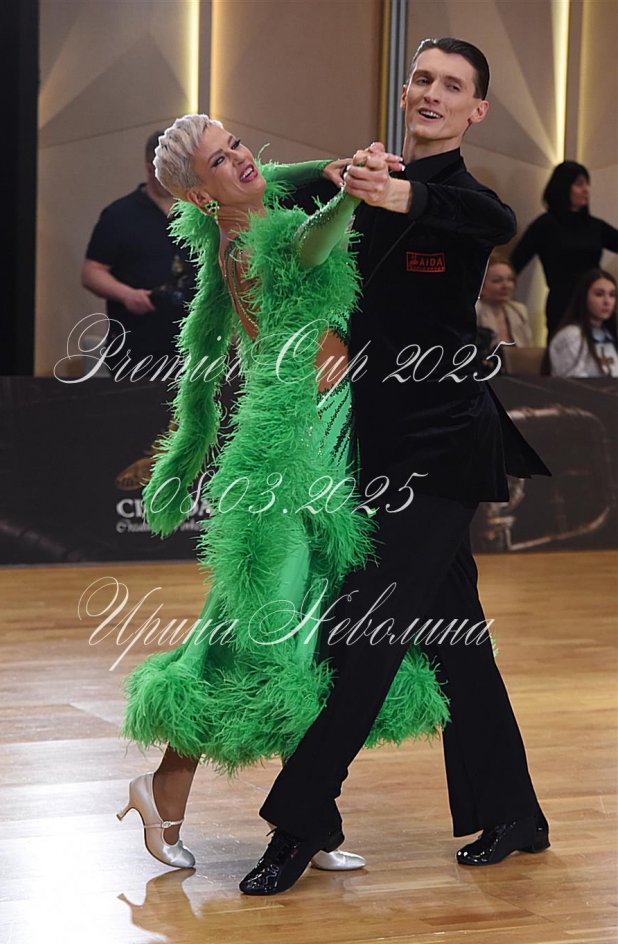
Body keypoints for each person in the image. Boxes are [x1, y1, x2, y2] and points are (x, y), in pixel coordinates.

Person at [240, 37, 552, 897]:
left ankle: (301, 818)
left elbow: (493, 220)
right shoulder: (364, 183)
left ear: (476, 109)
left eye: (452, 86)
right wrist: (340, 173)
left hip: (444, 448)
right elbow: (263, 189)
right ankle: (515, 810)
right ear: (406, 91)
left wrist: (402, 191)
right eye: (422, 79)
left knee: (364, 631)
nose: (431, 93)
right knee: (457, 638)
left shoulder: (458, 199)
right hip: (377, 448)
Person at [117, 115, 449, 872]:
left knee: (306, 631)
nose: (241, 159)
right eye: (220, 160)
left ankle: (299, 815)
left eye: (236, 144)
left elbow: (278, 174)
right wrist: (350, 196)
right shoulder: (245, 244)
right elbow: (309, 248)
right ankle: (186, 791)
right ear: (199, 197)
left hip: (326, 448)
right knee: (263, 637)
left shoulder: (249, 208)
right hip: (283, 458)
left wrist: (334, 166)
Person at [82, 131, 196, 366]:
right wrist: (127, 295)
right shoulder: (120, 215)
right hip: (136, 348)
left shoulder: (196, 213)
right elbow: (92, 272)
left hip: (193, 346)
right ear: (149, 168)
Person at [510, 161, 618, 341]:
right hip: (563, 306)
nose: (586, 190)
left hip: (596, 305)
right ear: (563, 186)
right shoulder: (545, 225)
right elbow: (515, 263)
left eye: (587, 184)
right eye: (579, 184)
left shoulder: (595, 226)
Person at [548, 269, 617, 377]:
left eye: (612, 295)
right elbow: (576, 382)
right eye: (599, 294)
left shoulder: (609, 333)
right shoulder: (571, 336)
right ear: (584, 297)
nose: (607, 301)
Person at [476, 252, 534, 349]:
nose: (506, 286)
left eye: (510, 279)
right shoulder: (475, 313)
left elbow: (528, 348)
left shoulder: (519, 310)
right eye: (497, 280)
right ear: (480, 285)